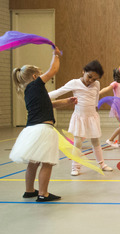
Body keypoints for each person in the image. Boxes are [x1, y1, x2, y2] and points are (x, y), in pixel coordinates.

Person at [10, 47, 77, 201]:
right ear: (35, 76)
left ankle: (29, 190)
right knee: (47, 162)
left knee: (33, 162)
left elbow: (49, 105)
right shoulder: (36, 85)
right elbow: (53, 70)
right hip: (43, 130)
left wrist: (66, 101)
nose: (42, 77)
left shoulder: (29, 91)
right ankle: (43, 193)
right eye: (39, 75)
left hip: (32, 130)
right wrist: (55, 54)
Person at [49, 60, 112, 176]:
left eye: (94, 79)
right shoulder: (74, 83)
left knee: (96, 141)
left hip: (92, 116)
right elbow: (59, 92)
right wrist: (43, 96)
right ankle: (75, 167)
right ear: (83, 71)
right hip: (80, 117)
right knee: (77, 142)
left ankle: (102, 164)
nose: (91, 81)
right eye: (89, 77)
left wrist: (95, 105)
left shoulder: (96, 85)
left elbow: (96, 95)